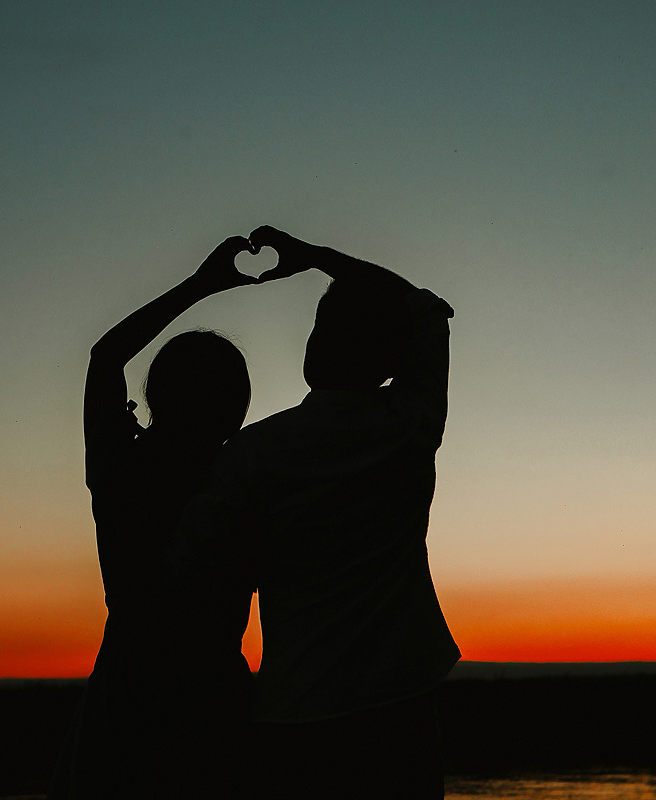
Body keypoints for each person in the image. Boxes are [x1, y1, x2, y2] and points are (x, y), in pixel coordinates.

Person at [171, 226, 460, 799]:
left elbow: (189, 572)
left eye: (323, 326)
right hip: (402, 707)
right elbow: (428, 308)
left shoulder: (251, 455)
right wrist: (318, 259)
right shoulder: (410, 425)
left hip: (297, 713)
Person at [48, 236, 259, 800]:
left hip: (126, 690)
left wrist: (202, 284)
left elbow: (105, 356)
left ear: (155, 393)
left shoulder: (124, 466)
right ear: (236, 409)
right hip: (215, 698)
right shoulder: (243, 479)